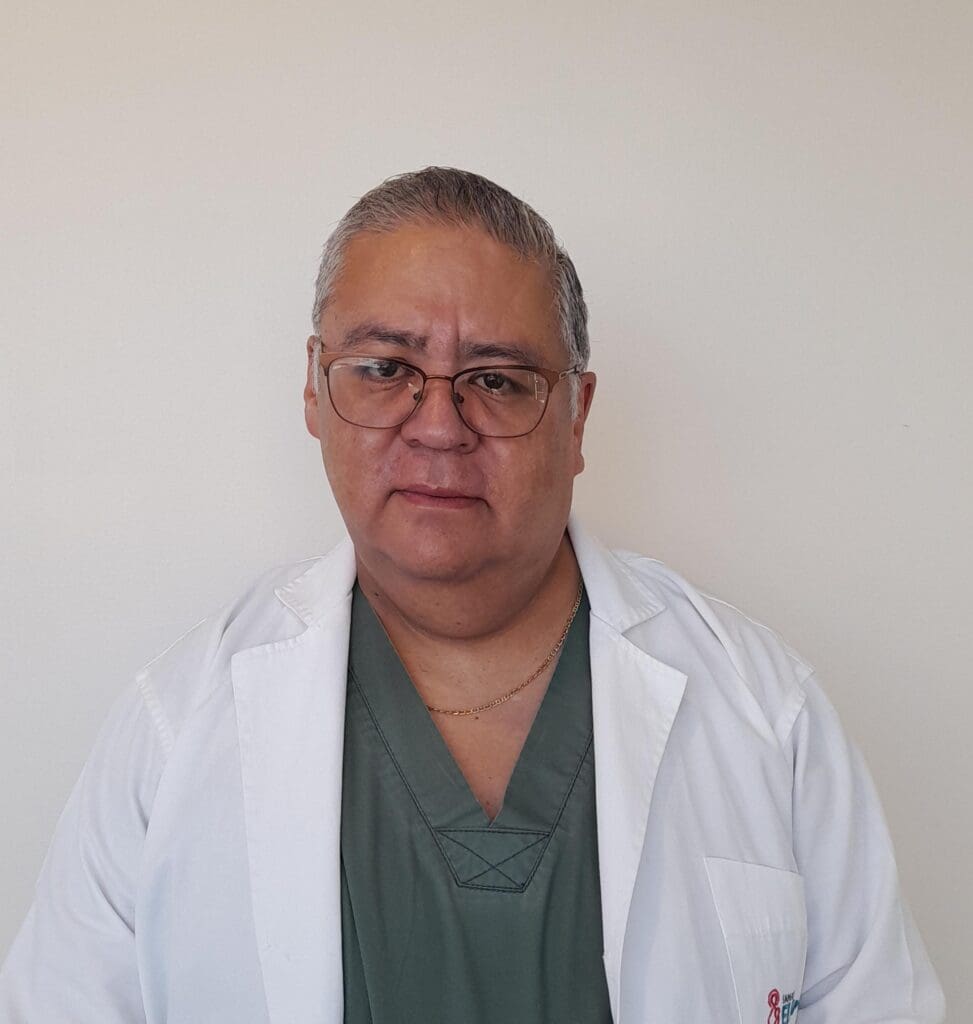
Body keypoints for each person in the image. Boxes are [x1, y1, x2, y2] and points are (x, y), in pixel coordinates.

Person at [0, 167, 945, 1024]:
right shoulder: (175, 726)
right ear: (313, 392)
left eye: (496, 380)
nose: (439, 427)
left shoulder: (764, 710)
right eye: (385, 370)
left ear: (574, 416)